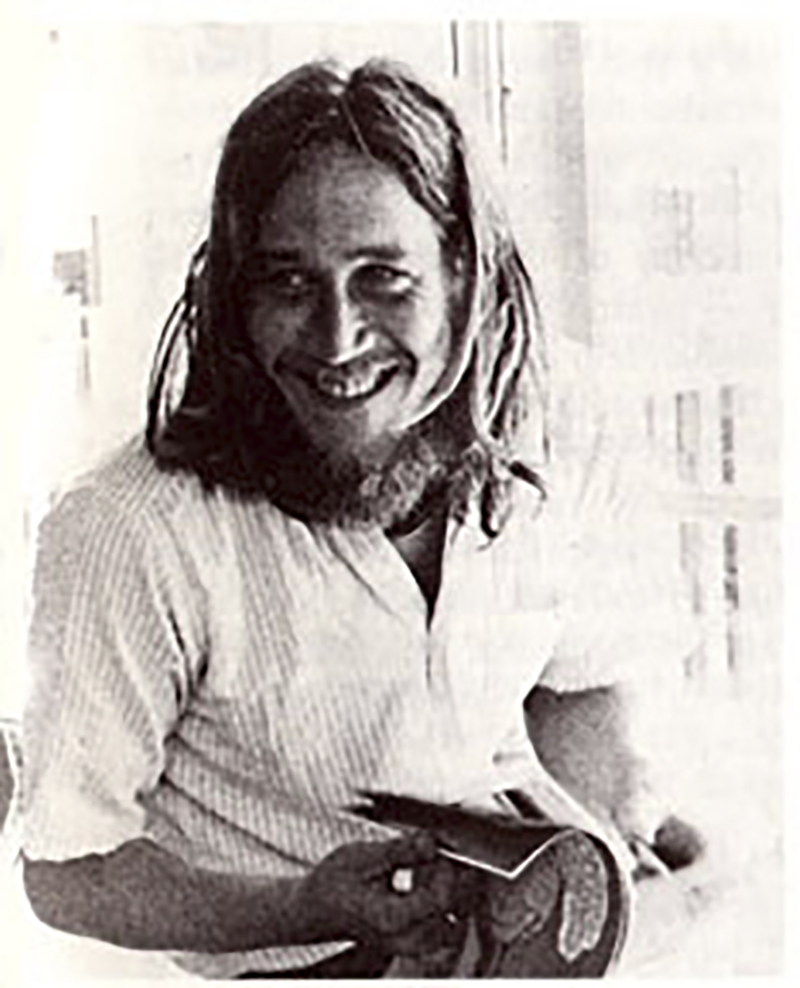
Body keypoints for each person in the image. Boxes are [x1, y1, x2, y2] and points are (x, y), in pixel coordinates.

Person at [20, 58, 700, 978]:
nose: (337, 341)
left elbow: (582, 683)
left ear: (463, 273)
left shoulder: (565, 421)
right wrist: (302, 904)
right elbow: (69, 868)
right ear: (236, 298)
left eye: (384, 278)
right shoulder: (126, 528)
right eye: (289, 284)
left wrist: (623, 823)